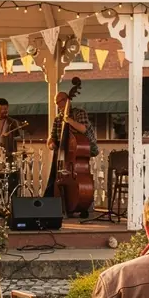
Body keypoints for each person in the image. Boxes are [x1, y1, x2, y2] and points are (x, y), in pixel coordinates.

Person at [46, 90, 99, 219]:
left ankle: (83, 203)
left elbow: (83, 129)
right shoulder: (58, 119)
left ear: (67, 100)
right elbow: (51, 138)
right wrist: (51, 143)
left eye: (60, 102)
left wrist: (69, 120)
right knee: (55, 177)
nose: (58, 105)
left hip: (80, 153)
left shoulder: (79, 113)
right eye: (56, 103)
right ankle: (58, 205)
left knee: (79, 177)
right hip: (64, 156)